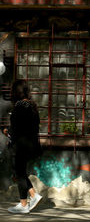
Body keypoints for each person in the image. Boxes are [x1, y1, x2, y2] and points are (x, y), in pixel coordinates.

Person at [4, 80, 43, 214]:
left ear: (16, 92)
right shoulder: (32, 106)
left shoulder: (19, 106)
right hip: (30, 144)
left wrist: (7, 132)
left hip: (20, 145)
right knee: (20, 172)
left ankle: (25, 203)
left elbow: (16, 128)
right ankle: (31, 197)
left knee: (19, 173)